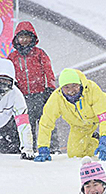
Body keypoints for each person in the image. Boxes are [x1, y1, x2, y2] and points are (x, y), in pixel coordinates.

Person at [34, 68, 106, 162]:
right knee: (75, 154)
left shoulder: (91, 89)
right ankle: (94, 140)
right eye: (66, 87)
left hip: (101, 115)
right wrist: (43, 147)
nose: (71, 90)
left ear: (80, 84)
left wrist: (105, 139)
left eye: (74, 86)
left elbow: (104, 117)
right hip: (80, 125)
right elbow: (46, 123)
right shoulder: (56, 98)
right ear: (61, 88)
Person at [8, 21, 60, 153]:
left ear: (32, 38)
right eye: (21, 37)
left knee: (46, 122)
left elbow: (48, 71)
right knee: (27, 124)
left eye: (27, 37)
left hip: (41, 94)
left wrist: (50, 88)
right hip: (23, 97)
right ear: (16, 39)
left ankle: (51, 148)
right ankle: (30, 148)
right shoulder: (12, 57)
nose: (24, 40)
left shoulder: (39, 54)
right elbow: (9, 74)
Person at [0, 58, 34, 159]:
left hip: (6, 125)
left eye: (6, 83)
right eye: (0, 81)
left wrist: (27, 149)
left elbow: (23, 124)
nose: (3, 87)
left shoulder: (16, 95)